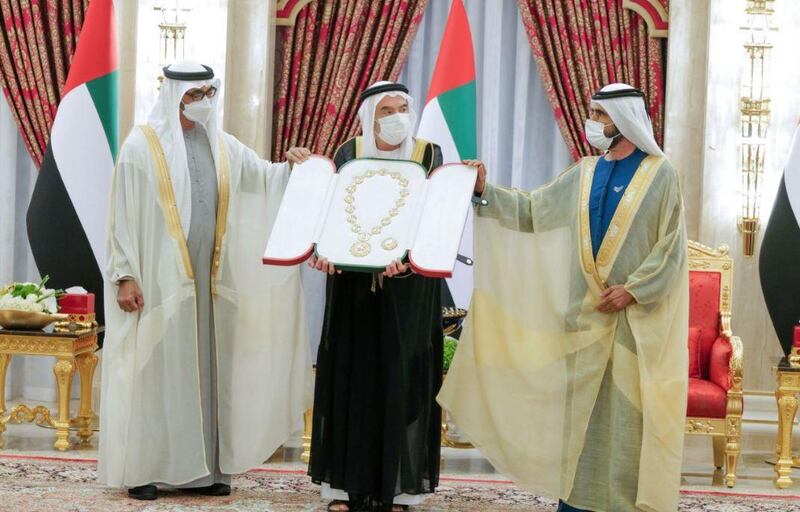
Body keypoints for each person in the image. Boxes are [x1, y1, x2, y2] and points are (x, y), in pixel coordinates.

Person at [439, 83, 689, 512]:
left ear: (623, 119)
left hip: (633, 327)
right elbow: (533, 210)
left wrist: (632, 290)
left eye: (599, 113)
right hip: (583, 319)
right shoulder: (584, 171)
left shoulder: (660, 173)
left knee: (623, 425)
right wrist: (484, 190)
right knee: (581, 426)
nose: (592, 121)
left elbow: (671, 247)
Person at [98, 60, 312, 500]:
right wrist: (124, 275)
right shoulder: (142, 146)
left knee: (208, 373)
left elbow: (262, 179)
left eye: (208, 95)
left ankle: (208, 473)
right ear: (174, 96)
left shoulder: (223, 146)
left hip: (209, 285)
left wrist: (294, 169)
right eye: (194, 96)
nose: (203, 104)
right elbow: (121, 215)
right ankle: (145, 470)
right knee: (156, 372)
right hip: (159, 285)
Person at [288, 81, 444, 512]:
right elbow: (329, 211)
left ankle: (401, 488)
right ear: (369, 116)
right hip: (353, 286)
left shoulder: (428, 155)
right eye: (386, 110)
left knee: (404, 380)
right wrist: (320, 250)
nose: (396, 117)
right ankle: (342, 486)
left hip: (410, 287)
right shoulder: (347, 153)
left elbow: (434, 216)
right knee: (350, 377)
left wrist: (412, 259)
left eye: (401, 108)